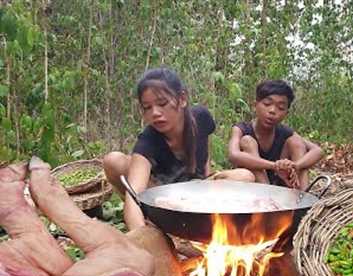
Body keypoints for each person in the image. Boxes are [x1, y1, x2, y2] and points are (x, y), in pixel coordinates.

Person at [104, 67, 254, 231]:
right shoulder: (148, 141)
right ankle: (150, 216)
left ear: (182, 99)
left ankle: (201, 215)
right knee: (114, 160)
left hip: (197, 191)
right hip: (164, 195)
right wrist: (139, 235)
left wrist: (206, 176)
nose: (155, 113)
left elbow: (205, 149)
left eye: (162, 103)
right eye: (147, 107)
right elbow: (134, 193)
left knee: (245, 176)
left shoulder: (201, 117)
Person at [228, 80, 322, 191]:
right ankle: (267, 195)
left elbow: (317, 151)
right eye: (267, 104)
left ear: (286, 113)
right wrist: (274, 166)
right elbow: (234, 155)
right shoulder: (241, 129)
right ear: (255, 105)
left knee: (296, 142)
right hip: (253, 188)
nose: (272, 111)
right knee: (247, 141)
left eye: (280, 108)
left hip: (281, 184)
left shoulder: (285, 132)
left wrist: (295, 166)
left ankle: (303, 198)